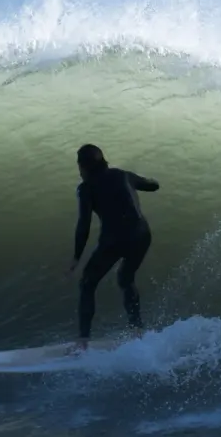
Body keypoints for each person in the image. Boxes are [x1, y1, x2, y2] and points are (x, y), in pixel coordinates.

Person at [65, 144, 159, 346]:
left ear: (83, 166)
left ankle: (82, 342)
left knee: (87, 283)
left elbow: (84, 224)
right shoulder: (122, 175)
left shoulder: (86, 188)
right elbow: (152, 185)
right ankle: (137, 330)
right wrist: (148, 181)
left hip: (114, 240)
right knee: (126, 278)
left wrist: (76, 257)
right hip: (142, 235)